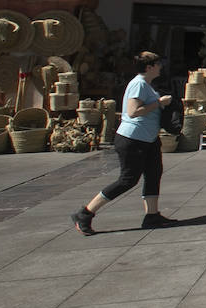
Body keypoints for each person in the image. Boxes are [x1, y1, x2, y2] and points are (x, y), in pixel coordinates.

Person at [71, 51, 177, 235]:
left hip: (148, 139)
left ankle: (152, 215)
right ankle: (86, 213)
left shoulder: (147, 84)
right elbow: (133, 111)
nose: (161, 67)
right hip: (132, 139)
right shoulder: (139, 84)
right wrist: (159, 103)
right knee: (127, 180)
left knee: (153, 174)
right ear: (149, 67)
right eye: (158, 64)